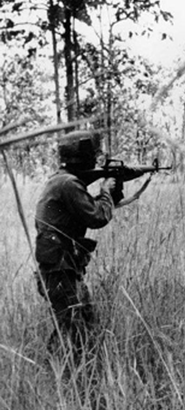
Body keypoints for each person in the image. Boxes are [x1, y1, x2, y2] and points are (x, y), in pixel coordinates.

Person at [34, 130, 122, 364]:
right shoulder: (69, 183)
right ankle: (56, 375)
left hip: (64, 269)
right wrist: (106, 192)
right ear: (84, 157)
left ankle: (76, 373)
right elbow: (96, 218)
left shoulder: (61, 180)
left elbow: (81, 211)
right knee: (73, 329)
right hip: (60, 271)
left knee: (85, 322)